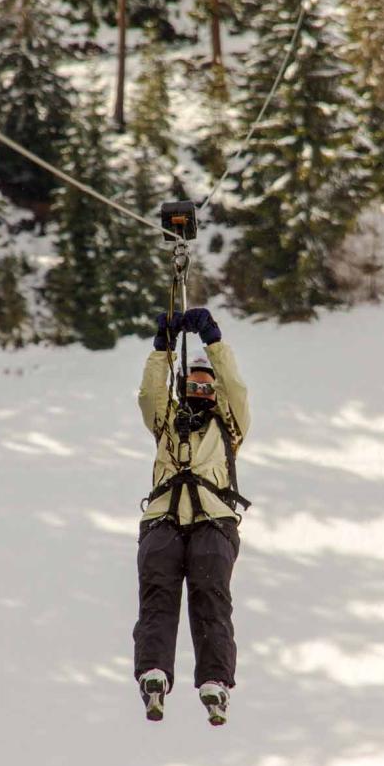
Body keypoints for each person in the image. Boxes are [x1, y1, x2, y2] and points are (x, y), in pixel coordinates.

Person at [133, 307, 251, 726]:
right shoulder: (166, 423)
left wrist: (212, 342)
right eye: (194, 383)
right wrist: (162, 350)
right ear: (184, 387)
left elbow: (235, 386)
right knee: (157, 598)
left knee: (210, 598)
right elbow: (150, 395)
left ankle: (215, 679)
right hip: (164, 519)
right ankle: (154, 672)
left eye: (207, 384)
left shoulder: (228, 426)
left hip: (213, 521)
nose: (201, 389)